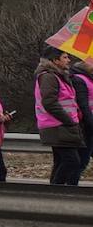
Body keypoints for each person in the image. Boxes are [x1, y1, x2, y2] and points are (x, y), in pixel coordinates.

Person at [35, 46, 84, 186]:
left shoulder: (59, 76)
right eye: (65, 57)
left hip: (62, 125)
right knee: (72, 162)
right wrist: (69, 120)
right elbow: (49, 102)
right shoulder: (49, 77)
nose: (69, 60)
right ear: (55, 60)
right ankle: (56, 191)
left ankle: (53, 192)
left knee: (61, 162)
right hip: (57, 125)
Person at [72, 56, 93, 181]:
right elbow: (83, 105)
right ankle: (70, 186)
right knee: (81, 160)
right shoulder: (79, 79)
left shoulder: (88, 78)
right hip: (85, 126)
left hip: (88, 124)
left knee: (82, 160)